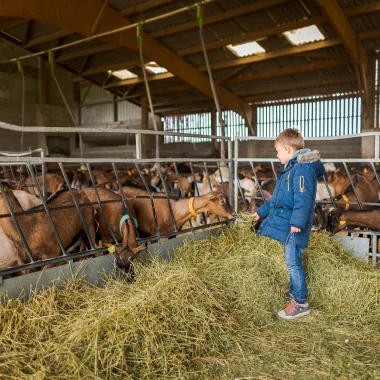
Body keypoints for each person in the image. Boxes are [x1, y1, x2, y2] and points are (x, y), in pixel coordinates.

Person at [251, 128, 325, 320]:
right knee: (291, 260)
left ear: (288, 149)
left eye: (277, 151)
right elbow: (276, 200)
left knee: (292, 261)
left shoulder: (301, 170)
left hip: (295, 225)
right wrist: (260, 213)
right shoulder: (291, 170)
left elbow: (304, 198)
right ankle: (294, 293)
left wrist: (297, 223)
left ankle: (301, 302)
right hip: (290, 223)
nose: (276, 155)